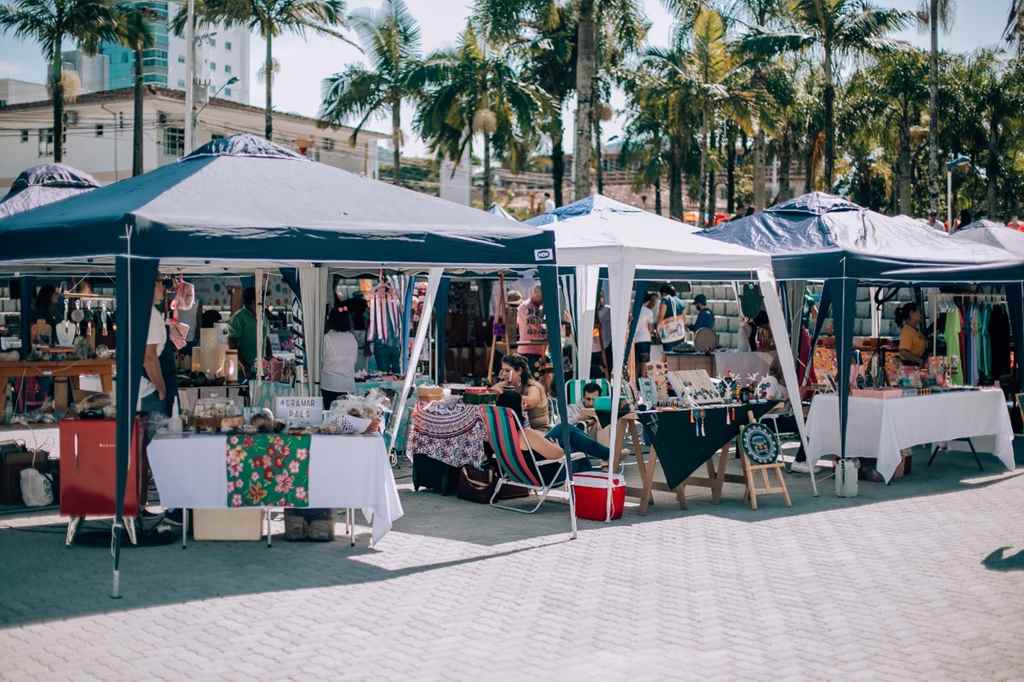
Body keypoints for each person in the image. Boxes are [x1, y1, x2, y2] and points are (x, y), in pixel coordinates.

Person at [492, 353, 550, 430]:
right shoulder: (509, 384)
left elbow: (530, 401)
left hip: (540, 432)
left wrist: (504, 394)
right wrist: (502, 386)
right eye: (503, 370)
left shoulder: (533, 387)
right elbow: (492, 391)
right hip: (522, 432)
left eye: (508, 370)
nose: (504, 374)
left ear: (519, 370)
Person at [139, 279, 169, 416]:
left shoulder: (140, 310)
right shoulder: (150, 314)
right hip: (149, 389)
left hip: (142, 386)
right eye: (160, 283)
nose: (163, 287)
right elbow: (149, 357)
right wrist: (161, 389)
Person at [321, 307, 359, 410]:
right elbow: (354, 361)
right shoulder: (352, 338)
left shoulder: (327, 338)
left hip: (329, 384)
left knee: (330, 418)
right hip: (347, 384)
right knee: (346, 418)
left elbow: (322, 360)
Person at [227, 287, 266, 378]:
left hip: (262, 368)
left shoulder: (263, 317)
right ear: (253, 302)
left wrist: (270, 359)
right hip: (244, 370)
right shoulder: (238, 318)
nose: (264, 304)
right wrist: (244, 365)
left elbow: (266, 339)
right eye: (262, 300)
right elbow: (232, 343)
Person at [516, 286, 547, 371]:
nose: (543, 300)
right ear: (536, 294)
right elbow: (535, 324)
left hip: (537, 351)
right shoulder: (525, 307)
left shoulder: (539, 307)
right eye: (542, 297)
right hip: (528, 351)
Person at [340, 290, 369, 372]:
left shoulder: (350, 302)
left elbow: (348, 314)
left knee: (355, 349)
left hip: (354, 328)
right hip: (361, 328)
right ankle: (361, 370)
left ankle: (356, 370)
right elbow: (366, 316)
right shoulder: (363, 302)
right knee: (361, 349)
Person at [656, 284, 685, 352]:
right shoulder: (681, 302)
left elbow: (661, 317)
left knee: (668, 356)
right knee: (677, 356)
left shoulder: (665, 300)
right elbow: (684, 319)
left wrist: (658, 330)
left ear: (664, 293)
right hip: (680, 334)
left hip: (669, 334)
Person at [897, 302, 927, 366]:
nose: (921, 315)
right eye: (919, 312)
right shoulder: (907, 331)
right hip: (910, 366)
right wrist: (919, 360)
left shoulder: (915, 330)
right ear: (911, 313)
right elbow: (903, 352)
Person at [634, 292, 658, 373]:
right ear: (647, 301)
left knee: (636, 363)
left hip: (635, 339)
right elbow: (650, 328)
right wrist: (653, 332)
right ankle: (643, 382)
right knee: (644, 363)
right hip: (645, 339)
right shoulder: (648, 312)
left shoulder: (634, 310)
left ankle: (636, 382)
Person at [592, 293, 612, 379]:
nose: (602, 299)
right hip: (597, 347)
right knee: (601, 370)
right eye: (600, 297)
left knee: (606, 368)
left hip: (604, 346)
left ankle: (607, 383)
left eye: (602, 297)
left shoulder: (608, 310)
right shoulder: (605, 311)